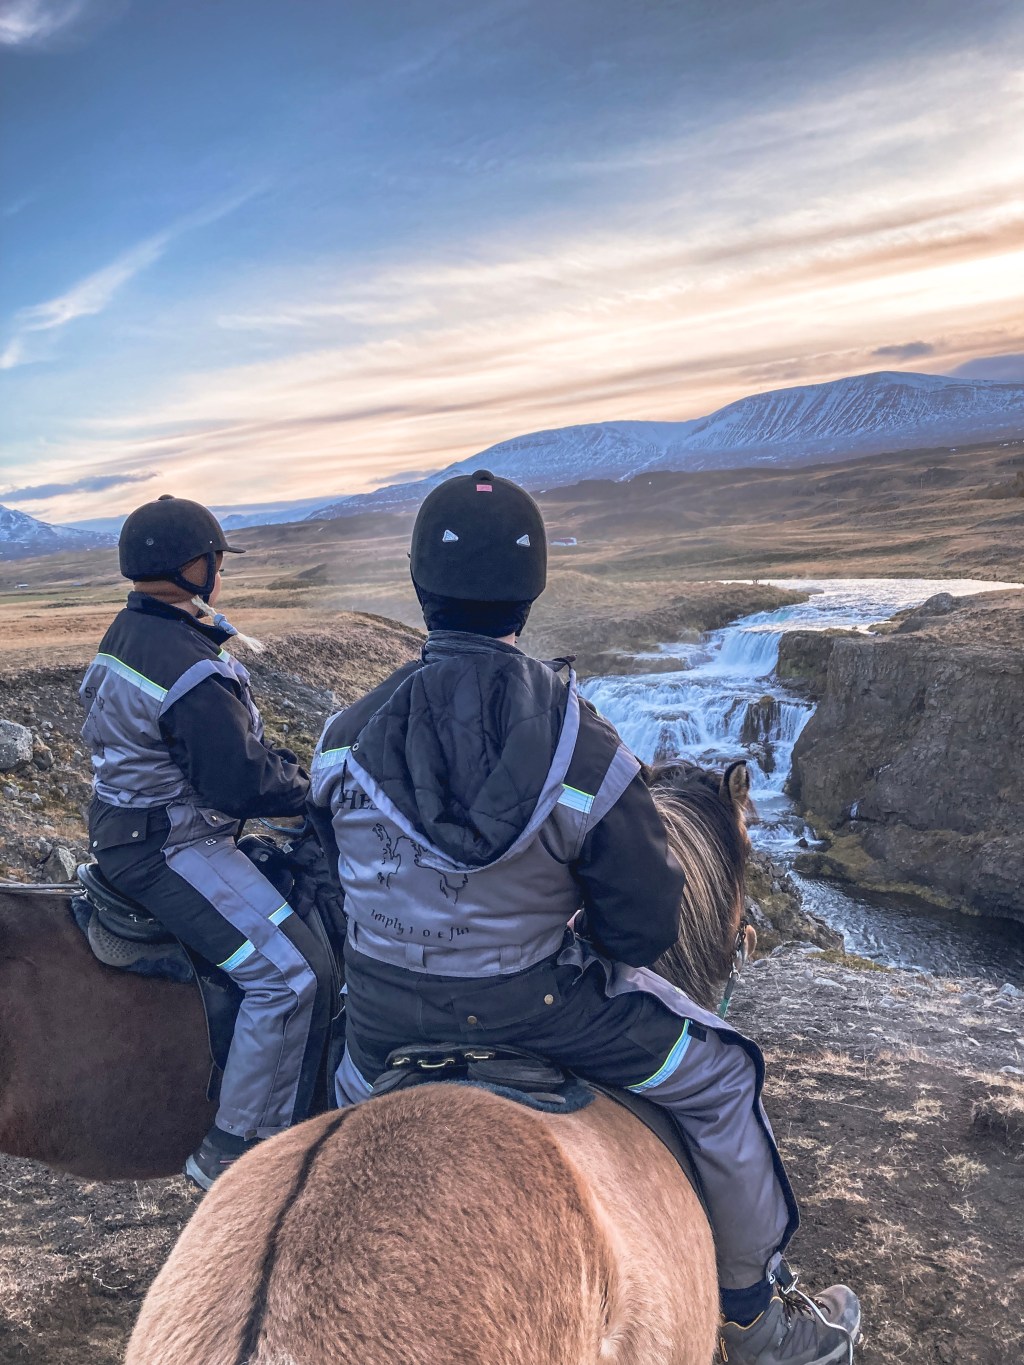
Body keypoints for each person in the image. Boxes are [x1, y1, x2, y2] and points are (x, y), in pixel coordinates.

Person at [310, 470, 861, 1365]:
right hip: (536, 1011)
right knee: (725, 1075)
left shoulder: (343, 736)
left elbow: (330, 874)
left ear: (419, 586)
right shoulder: (585, 742)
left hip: (376, 1028)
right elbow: (643, 928)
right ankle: (759, 1322)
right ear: (529, 593)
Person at [80, 494, 333, 1190]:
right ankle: (237, 1145)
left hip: (128, 824)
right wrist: (309, 789)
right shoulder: (187, 663)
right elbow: (238, 783)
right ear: (194, 567)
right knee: (290, 975)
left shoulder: (133, 630)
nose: (221, 571)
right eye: (217, 560)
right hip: (170, 844)